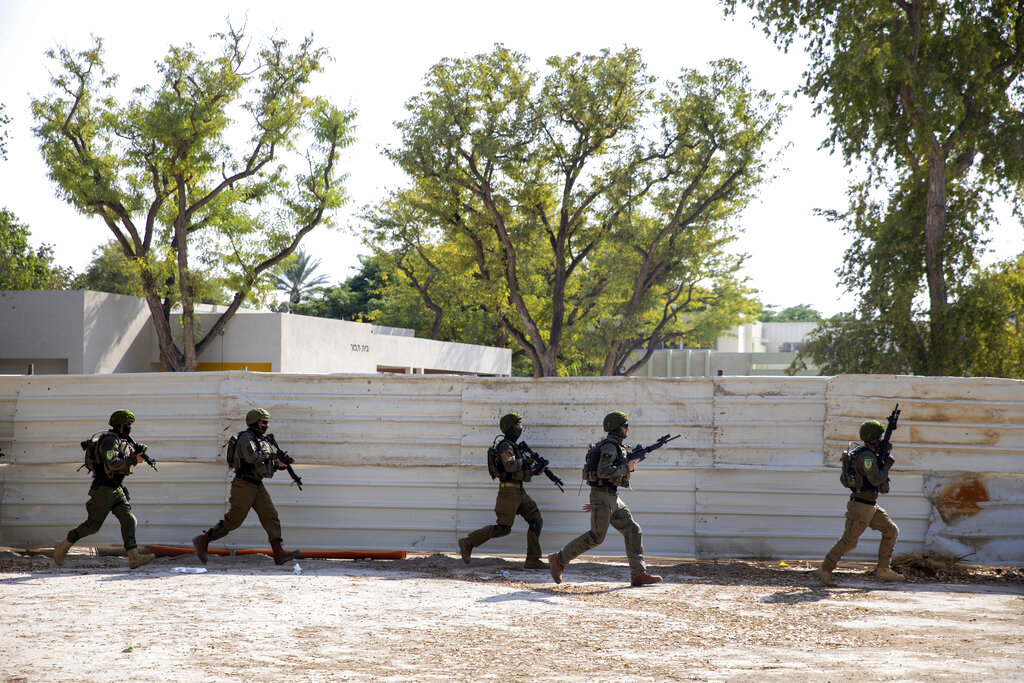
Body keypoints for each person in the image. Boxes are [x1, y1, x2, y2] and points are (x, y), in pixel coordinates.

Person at [549, 411, 662, 587]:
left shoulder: (617, 446)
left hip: (612, 497)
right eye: (625, 425)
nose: (627, 428)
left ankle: (639, 574)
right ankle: (559, 559)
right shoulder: (609, 447)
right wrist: (627, 467)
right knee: (596, 537)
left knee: (633, 529)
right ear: (617, 427)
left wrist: (627, 467)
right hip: (603, 495)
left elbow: (613, 471)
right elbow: (603, 471)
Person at [192, 408, 301, 565]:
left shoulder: (262, 440)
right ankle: (204, 539)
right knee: (234, 520)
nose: (266, 425)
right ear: (255, 422)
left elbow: (263, 463)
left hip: (257, 485)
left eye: (267, 422)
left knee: (271, 516)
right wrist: (273, 455)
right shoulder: (246, 438)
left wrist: (278, 464)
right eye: (264, 422)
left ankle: (278, 552)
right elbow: (251, 458)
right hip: (244, 484)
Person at [53, 409, 155, 569]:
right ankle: (64, 545)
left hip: (116, 488)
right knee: (93, 526)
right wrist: (133, 460)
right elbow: (113, 464)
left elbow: (125, 462)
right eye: (128, 424)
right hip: (104, 489)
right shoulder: (109, 441)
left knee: (129, 520)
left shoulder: (123, 441)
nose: (130, 427)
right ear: (120, 425)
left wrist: (136, 457)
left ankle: (133, 556)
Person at [817, 419, 906, 586]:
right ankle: (825, 569)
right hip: (861, 505)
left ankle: (883, 570)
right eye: (879, 437)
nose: (881, 440)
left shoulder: (868, 454)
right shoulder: (866, 457)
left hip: (869, 504)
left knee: (891, 530)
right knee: (849, 541)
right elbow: (875, 479)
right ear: (874, 439)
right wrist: (887, 465)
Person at [459, 413, 547, 569]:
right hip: (508, 493)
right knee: (503, 529)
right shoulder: (505, 446)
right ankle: (468, 541)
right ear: (510, 428)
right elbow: (511, 466)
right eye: (517, 426)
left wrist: (535, 471)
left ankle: (532, 559)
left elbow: (518, 473)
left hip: (519, 492)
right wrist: (527, 460)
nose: (520, 429)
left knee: (536, 520)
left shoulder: (514, 447)